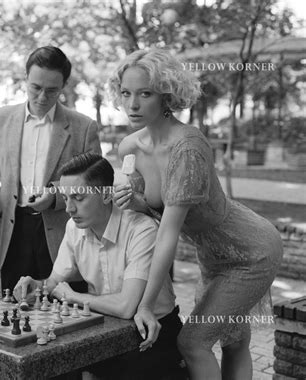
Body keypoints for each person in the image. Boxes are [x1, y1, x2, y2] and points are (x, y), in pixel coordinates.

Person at [110, 49, 283, 379]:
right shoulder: (129, 147)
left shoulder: (188, 147)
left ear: (166, 96)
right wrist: (134, 202)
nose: (131, 104)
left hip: (252, 252)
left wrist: (145, 305)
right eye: (125, 93)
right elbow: (152, 211)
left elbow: (169, 233)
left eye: (144, 94)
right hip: (211, 255)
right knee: (233, 341)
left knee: (192, 343)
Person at [14, 153, 184, 379]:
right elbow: (54, 282)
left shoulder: (141, 229)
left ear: (106, 195)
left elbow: (126, 307)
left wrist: (73, 297)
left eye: (78, 198)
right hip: (105, 330)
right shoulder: (74, 228)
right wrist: (38, 285)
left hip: (152, 333)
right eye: (66, 198)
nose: (69, 209)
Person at [0, 46, 101, 293]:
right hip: (13, 230)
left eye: (52, 90)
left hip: (63, 232)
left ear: (63, 85)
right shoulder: (3, 118)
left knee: (62, 310)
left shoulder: (84, 127)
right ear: (25, 80)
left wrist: (54, 197)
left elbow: (92, 183)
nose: (42, 96)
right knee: (14, 307)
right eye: (36, 87)